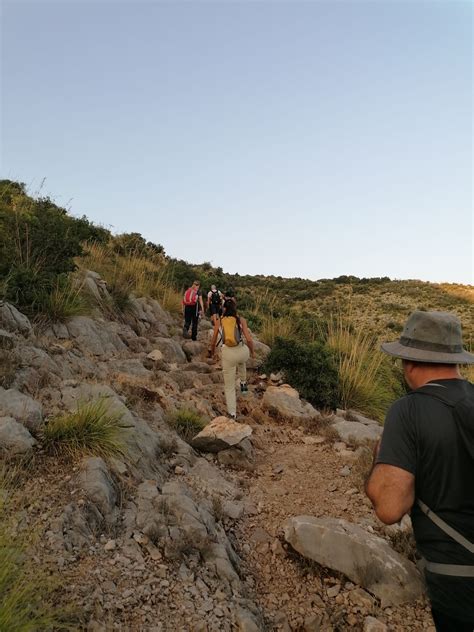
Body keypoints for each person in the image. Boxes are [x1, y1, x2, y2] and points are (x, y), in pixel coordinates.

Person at [365, 310, 474, 632]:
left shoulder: (408, 409)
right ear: (455, 360)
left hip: (457, 581)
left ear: (409, 362)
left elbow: (389, 507)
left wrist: (379, 459)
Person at [210, 299, 255, 420]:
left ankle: (232, 413)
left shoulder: (220, 321)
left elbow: (214, 340)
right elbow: (249, 339)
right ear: (235, 309)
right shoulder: (241, 320)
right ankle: (243, 382)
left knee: (229, 386)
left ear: (224, 309)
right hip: (242, 352)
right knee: (241, 360)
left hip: (228, 354)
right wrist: (253, 352)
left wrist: (213, 353)